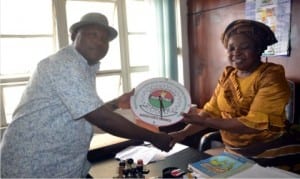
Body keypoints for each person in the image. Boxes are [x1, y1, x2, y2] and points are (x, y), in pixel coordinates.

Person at [0, 12, 173, 178]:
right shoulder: (64, 65)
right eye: (93, 34)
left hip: (62, 164)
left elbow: (85, 110)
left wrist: (116, 103)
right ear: (74, 35)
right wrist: (154, 137)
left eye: (104, 39)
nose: (99, 42)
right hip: (34, 166)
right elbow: (101, 118)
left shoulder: (84, 68)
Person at [170, 19, 300, 173]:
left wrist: (206, 120)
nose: (236, 53)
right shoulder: (228, 75)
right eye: (231, 48)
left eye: (245, 47)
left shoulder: (271, 75)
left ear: (258, 49)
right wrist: (181, 134)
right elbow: (210, 112)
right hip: (234, 154)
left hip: (269, 155)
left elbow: (252, 124)